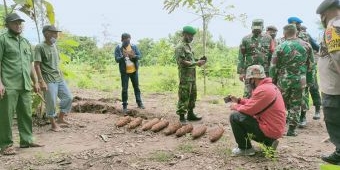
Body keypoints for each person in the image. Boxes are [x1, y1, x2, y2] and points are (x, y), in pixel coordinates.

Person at [0, 13, 43, 155]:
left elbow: (30, 64)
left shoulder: (25, 42)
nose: (18, 25)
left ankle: (27, 140)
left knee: (25, 113)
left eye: (20, 23)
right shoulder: (2, 40)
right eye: (15, 23)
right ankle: (6, 145)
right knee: (6, 115)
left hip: (25, 84)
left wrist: (35, 81)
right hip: (9, 84)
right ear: (8, 25)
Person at [229, 65, 286, 156]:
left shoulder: (263, 90)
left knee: (235, 116)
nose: (248, 82)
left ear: (253, 79)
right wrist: (239, 101)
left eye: (249, 79)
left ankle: (245, 148)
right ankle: (269, 143)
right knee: (242, 115)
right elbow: (254, 103)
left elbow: (249, 110)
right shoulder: (269, 87)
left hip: (270, 129)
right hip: (274, 128)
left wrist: (236, 106)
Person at [270, 24, 315, 136]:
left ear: (284, 33)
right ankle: (291, 130)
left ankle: (277, 128)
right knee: (296, 104)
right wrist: (309, 81)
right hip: (300, 80)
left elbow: (273, 66)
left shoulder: (280, 47)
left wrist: (272, 81)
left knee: (280, 104)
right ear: (296, 32)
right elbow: (311, 66)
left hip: (283, 80)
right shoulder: (306, 45)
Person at [34, 25, 73, 132]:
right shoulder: (40, 47)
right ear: (46, 33)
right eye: (53, 33)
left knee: (68, 97)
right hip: (48, 79)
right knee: (51, 101)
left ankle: (61, 119)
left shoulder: (54, 46)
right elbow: (36, 65)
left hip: (58, 78)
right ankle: (53, 124)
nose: (56, 35)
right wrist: (41, 81)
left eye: (56, 33)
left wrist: (60, 74)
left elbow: (56, 63)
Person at [316, 0, 340, 165]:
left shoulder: (332, 28)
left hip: (334, 88)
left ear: (324, 15)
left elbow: (338, 56)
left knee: (334, 120)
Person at [287, 17, 322, 127]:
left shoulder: (306, 35)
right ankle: (292, 116)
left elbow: (317, 47)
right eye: (297, 24)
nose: (299, 25)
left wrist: (313, 60)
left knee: (313, 88)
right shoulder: (286, 35)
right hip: (291, 71)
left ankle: (316, 109)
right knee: (292, 93)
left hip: (307, 69)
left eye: (299, 24)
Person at [175, 26, 206, 124]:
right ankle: (182, 116)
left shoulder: (188, 46)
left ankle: (191, 114)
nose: (192, 37)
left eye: (192, 36)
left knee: (192, 95)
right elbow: (182, 62)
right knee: (184, 95)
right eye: (190, 35)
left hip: (192, 76)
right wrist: (196, 63)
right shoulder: (180, 47)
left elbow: (190, 60)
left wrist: (199, 60)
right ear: (184, 34)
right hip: (185, 77)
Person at [237, 19, 273, 98]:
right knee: (248, 93)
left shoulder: (268, 38)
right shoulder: (245, 39)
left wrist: (271, 72)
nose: (256, 30)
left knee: (264, 92)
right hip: (250, 71)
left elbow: (272, 55)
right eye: (255, 28)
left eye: (258, 28)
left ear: (263, 27)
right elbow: (241, 56)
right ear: (251, 27)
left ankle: (262, 109)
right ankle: (246, 109)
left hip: (264, 71)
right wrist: (241, 72)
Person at [114, 33, 144, 114]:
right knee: (124, 89)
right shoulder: (118, 48)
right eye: (125, 40)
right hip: (124, 72)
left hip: (134, 71)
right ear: (122, 40)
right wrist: (123, 57)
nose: (127, 42)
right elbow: (117, 59)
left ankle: (139, 103)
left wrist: (133, 56)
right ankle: (124, 106)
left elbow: (139, 56)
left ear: (130, 39)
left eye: (128, 40)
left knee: (136, 87)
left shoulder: (133, 46)